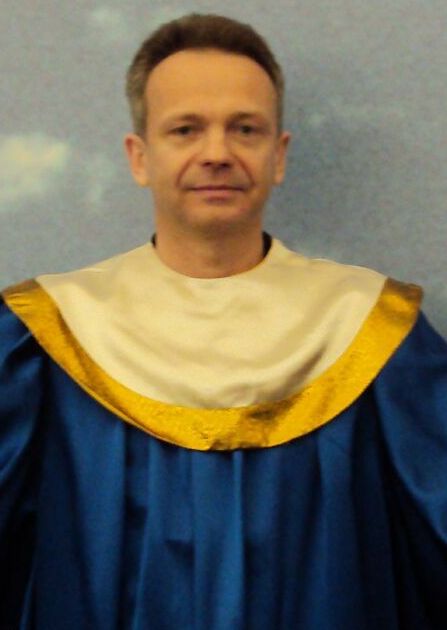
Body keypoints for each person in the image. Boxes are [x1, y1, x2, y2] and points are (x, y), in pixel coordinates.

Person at [1, 12, 446, 630]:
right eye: (186, 129)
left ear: (278, 155)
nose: (217, 154)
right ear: (139, 157)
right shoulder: (47, 339)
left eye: (245, 129)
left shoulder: (373, 332)